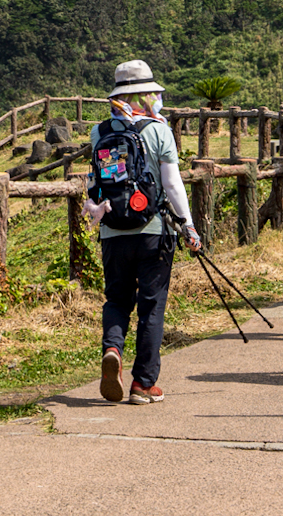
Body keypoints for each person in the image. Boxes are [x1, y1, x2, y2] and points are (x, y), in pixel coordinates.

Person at [83, 59, 200, 405]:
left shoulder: (100, 132)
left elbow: (95, 182)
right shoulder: (158, 130)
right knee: (152, 306)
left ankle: (113, 350)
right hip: (154, 231)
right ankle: (143, 384)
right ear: (145, 95)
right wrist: (188, 224)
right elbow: (172, 185)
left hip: (112, 229)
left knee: (117, 300)